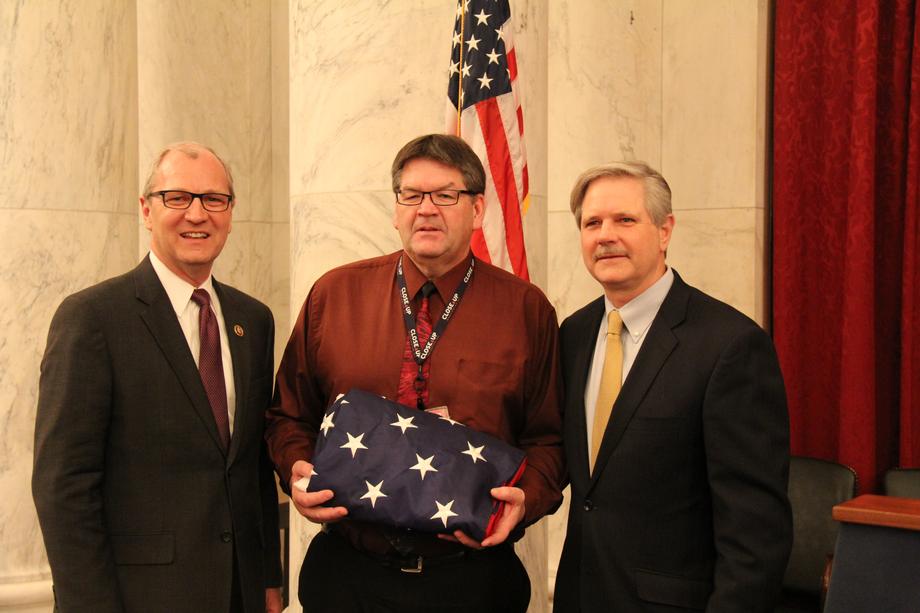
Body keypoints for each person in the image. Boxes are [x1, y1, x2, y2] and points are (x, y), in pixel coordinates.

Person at [266, 133, 564, 612]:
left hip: (472, 582)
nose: (426, 209)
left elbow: (551, 438)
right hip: (348, 576)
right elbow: (287, 417)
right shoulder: (334, 295)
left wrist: (526, 500)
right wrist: (297, 470)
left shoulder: (524, 310)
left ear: (479, 208)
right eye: (412, 195)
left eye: (446, 195)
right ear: (396, 207)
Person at [33, 142, 283, 613]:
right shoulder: (92, 319)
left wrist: (269, 579)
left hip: (239, 594)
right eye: (177, 198)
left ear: (230, 214)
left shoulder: (253, 320)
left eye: (213, 199)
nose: (197, 214)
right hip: (139, 599)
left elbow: (251, 467)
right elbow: (63, 486)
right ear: (147, 211)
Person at [553, 162, 792, 612]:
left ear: (665, 231)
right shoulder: (574, 334)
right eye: (592, 223)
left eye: (625, 219)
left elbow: (755, 532)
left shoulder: (730, 346)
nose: (605, 235)